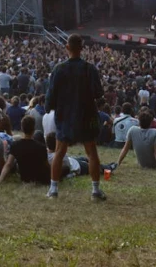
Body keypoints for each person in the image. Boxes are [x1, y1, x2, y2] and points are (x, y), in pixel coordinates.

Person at [44, 33, 106, 200]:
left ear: (67, 47)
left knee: (59, 152)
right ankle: (95, 191)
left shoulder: (59, 69)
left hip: (65, 115)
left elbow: (51, 93)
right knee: (91, 152)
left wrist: (47, 107)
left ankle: (53, 190)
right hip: (86, 115)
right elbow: (99, 93)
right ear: (82, 48)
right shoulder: (90, 69)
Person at [0, 114, 50, 184]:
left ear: (22, 128)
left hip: (25, 178)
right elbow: (46, 166)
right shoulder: (41, 147)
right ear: (33, 128)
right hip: (39, 178)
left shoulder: (15, 145)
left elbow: (8, 164)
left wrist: (0, 180)